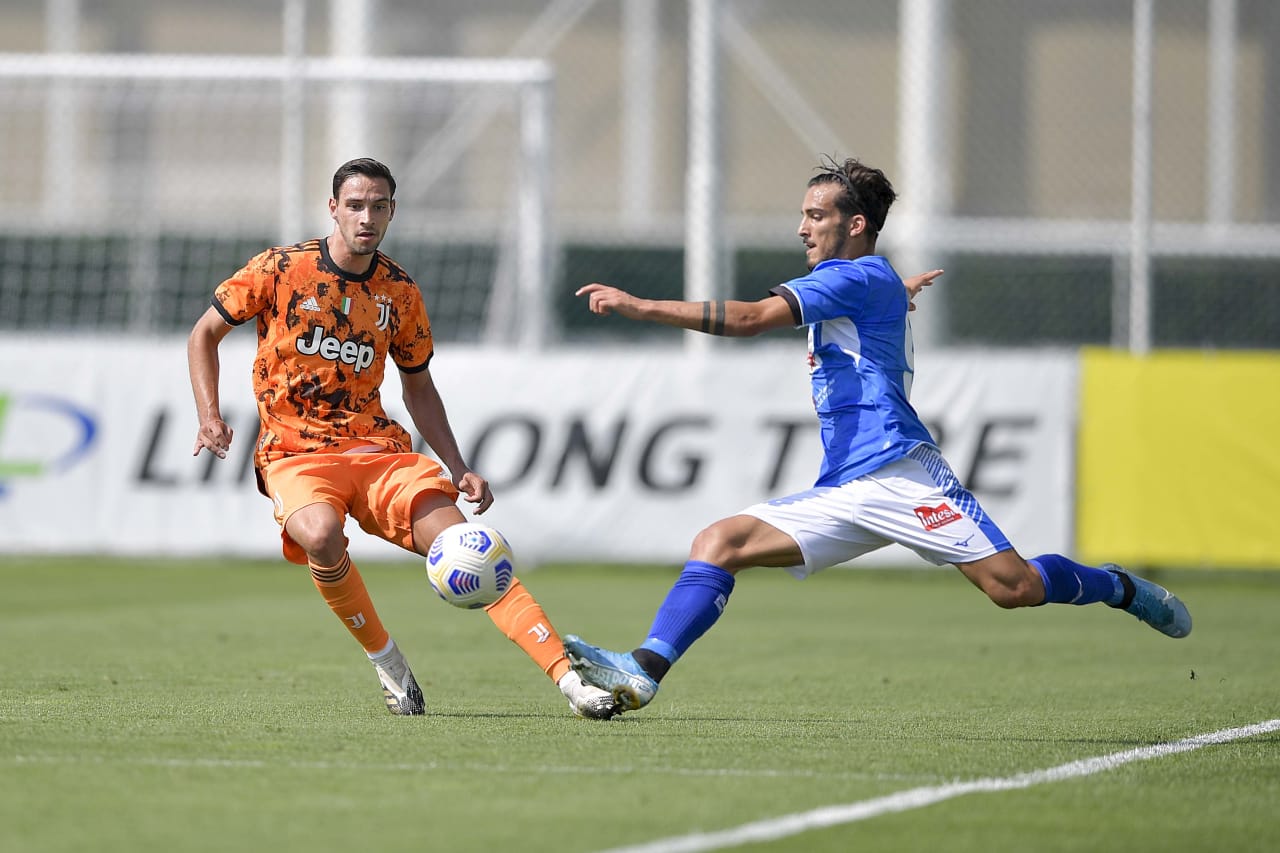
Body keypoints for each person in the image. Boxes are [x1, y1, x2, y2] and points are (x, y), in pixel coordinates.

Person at [564, 155, 1191, 714]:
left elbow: (751, 318)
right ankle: (644, 671)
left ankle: (1118, 585)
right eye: (803, 215)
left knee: (1014, 588)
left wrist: (641, 306)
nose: (803, 228)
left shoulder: (855, 279)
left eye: (816, 215)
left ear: (855, 224)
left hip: (900, 471)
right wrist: (897, 289)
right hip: (846, 486)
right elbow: (869, 297)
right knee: (719, 540)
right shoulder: (866, 282)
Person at [188, 157, 616, 719]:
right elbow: (204, 334)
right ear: (333, 208)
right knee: (319, 535)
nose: (367, 217)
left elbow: (419, 387)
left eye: (379, 206)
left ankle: (570, 683)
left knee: (474, 549)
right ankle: (388, 662)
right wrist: (209, 415)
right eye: (356, 205)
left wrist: (458, 465)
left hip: (378, 453)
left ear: (392, 211)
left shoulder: (399, 291)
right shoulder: (278, 268)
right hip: (295, 453)